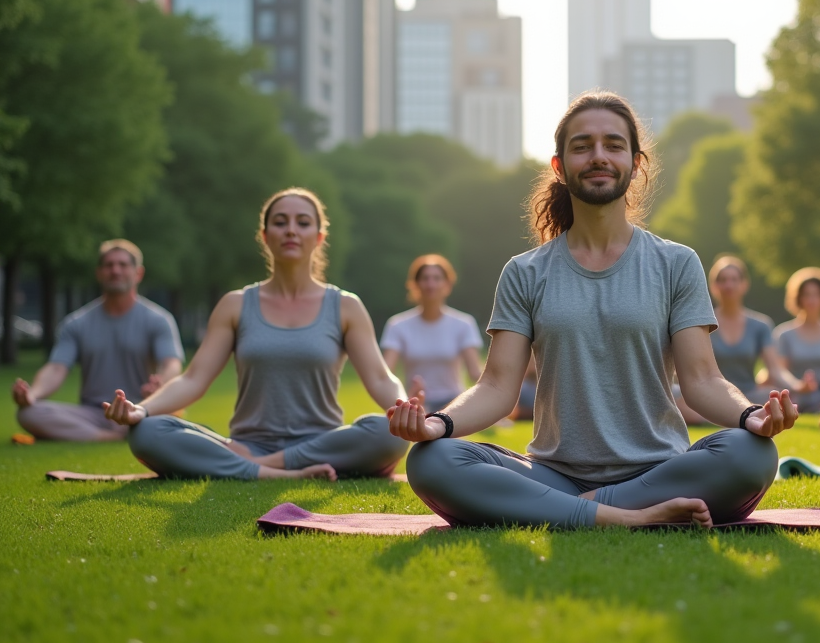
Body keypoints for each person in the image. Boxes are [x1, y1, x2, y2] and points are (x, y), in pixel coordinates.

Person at [389, 92, 795, 528]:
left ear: (636, 163)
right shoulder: (525, 272)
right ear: (560, 167)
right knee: (432, 461)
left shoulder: (676, 263)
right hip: (553, 474)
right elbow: (496, 388)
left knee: (751, 452)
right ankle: (625, 517)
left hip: (658, 472)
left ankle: (573, 511)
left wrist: (750, 414)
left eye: (613, 145)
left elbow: (701, 380)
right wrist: (439, 425)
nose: (598, 156)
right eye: (582, 146)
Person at [102, 188, 409, 480]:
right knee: (147, 431)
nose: (290, 230)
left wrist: (405, 409)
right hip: (246, 444)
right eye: (280, 222)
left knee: (388, 433)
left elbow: (381, 378)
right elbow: (193, 379)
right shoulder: (235, 305)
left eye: (302, 223)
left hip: (321, 443)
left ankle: (256, 468)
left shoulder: (345, 306)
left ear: (318, 237)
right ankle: (269, 469)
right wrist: (141, 409)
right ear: (265, 236)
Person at [12, 240, 183, 442]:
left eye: (123, 265)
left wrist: (161, 383)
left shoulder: (159, 320)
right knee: (28, 413)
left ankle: (118, 432)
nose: (115, 270)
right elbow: (56, 369)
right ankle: (109, 437)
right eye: (109, 265)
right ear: (99, 272)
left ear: (138, 273)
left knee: (166, 417)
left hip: (140, 409)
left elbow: (171, 363)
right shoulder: (76, 323)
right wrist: (33, 395)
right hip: (93, 414)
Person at [675, 255, 793, 424]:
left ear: (744, 284)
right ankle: (738, 417)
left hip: (748, 396)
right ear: (713, 286)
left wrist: (797, 386)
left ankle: (733, 416)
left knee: (776, 395)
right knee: (675, 395)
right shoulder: (698, 321)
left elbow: (775, 370)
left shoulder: (761, 325)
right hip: (708, 398)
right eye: (722, 280)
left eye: (734, 279)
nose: (728, 285)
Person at [380, 255, 483, 413]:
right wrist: (403, 402)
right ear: (415, 285)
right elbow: (386, 374)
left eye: (437, 278)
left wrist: (491, 408)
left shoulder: (464, 324)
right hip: (416, 403)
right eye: (425, 278)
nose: (430, 284)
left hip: (454, 405)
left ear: (447, 284)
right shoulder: (397, 325)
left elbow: (475, 373)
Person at [772, 267, 820, 413]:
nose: (812, 300)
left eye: (817, 295)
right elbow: (780, 371)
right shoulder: (784, 334)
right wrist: (800, 386)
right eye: (807, 295)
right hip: (794, 396)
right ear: (798, 298)